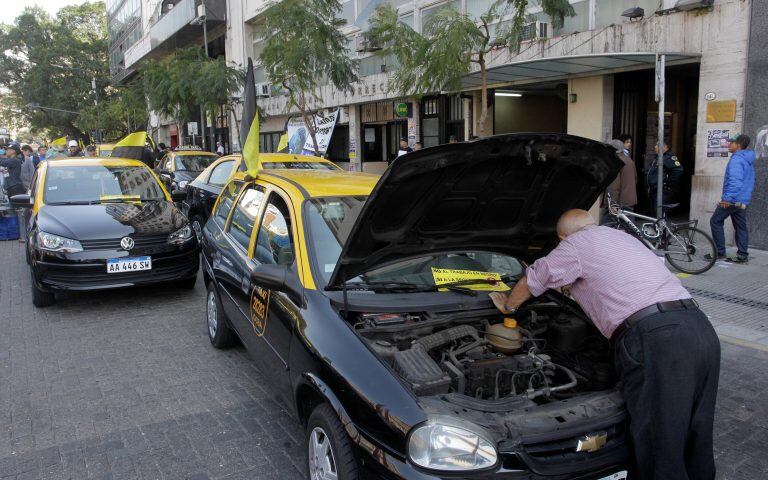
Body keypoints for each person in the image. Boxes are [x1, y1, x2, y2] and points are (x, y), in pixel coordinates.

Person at [489, 209, 719, 480]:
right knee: (696, 431)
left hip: (657, 337)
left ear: (562, 237)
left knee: (661, 441)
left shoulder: (574, 245)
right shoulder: (623, 238)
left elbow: (534, 277)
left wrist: (508, 305)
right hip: (698, 327)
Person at [707, 134, 755, 264]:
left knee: (715, 221)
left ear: (738, 145)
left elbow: (735, 182)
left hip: (732, 199)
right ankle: (742, 255)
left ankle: (720, 252)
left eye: (731, 142)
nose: (728, 145)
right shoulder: (747, 158)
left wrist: (726, 198)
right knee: (740, 227)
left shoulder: (737, 159)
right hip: (742, 199)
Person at [601, 139, 637, 225]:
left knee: (606, 228)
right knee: (630, 229)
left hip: (618, 202)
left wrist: (613, 204)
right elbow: (635, 179)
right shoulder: (629, 161)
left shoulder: (616, 162)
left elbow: (613, 186)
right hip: (629, 200)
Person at [646, 141, 683, 215]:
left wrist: (667, 184)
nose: (655, 147)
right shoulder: (659, 157)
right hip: (655, 190)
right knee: (654, 214)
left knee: (659, 213)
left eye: (657, 145)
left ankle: (660, 226)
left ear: (665, 147)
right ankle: (657, 226)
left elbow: (678, 170)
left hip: (662, 191)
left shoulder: (668, 158)